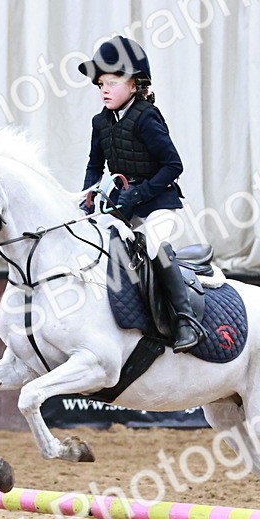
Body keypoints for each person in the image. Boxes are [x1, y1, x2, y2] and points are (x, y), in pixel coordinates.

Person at [78, 36, 204, 352]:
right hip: (122, 204)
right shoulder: (100, 122)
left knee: (155, 246)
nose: (104, 89)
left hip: (159, 202)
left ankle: (186, 321)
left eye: (112, 82)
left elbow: (174, 165)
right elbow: (95, 165)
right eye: (100, 84)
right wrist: (88, 196)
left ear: (135, 85)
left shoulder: (147, 117)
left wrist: (140, 193)